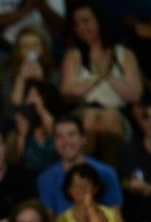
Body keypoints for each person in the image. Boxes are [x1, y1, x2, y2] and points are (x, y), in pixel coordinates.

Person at [60, 1, 143, 166]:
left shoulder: (124, 54)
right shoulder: (73, 56)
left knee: (109, 117)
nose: (82, 28)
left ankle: (111, 177)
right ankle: (84, 173)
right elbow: (67, 91)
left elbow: (135, 94)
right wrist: (98, 78)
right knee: (89, 118)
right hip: (83, 110)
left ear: (99, 21)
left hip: (117, 112)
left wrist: (108, 76)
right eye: (77, 24)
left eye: (86, 22)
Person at [37, 115, 123, 215]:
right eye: (59, 137)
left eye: (71, 135)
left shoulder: (106, 173)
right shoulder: (45, 178)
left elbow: (115, 219)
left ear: (83, 139)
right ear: (54, 143)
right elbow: (49, 221)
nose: (66, 141)